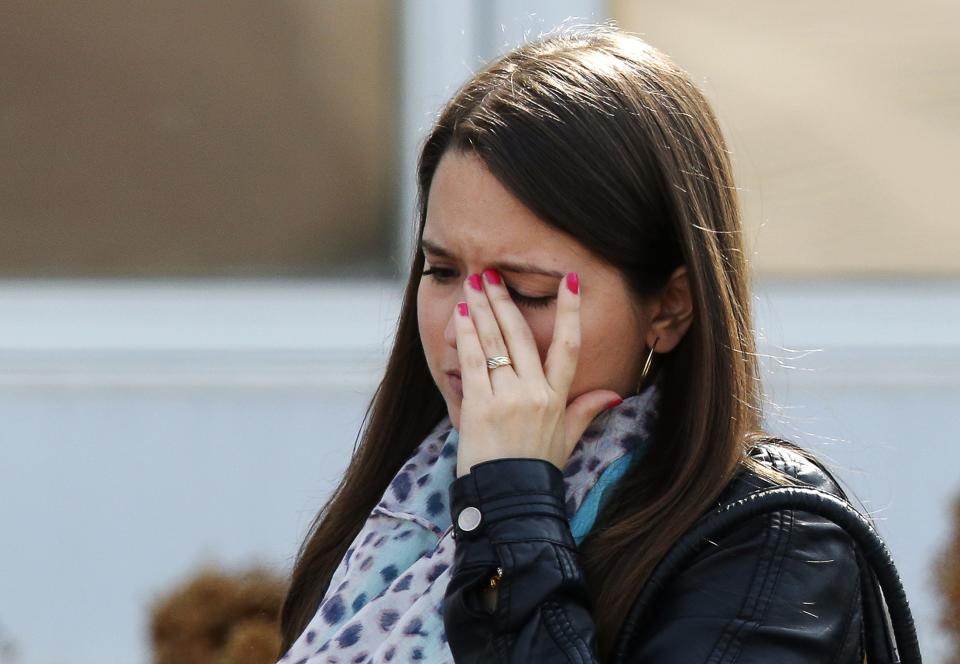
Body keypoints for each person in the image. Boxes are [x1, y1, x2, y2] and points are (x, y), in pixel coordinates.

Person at [276, 25, 869, 663]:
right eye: (442, 273)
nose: (466, 328)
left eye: (530, 291)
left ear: (669, 307)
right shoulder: (405, 514)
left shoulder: (766, 542)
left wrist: (513, 506)